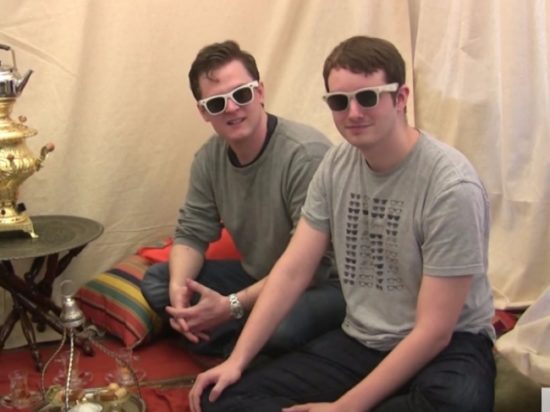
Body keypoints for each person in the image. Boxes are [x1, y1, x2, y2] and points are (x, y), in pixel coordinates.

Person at [189, 35, 496, 412]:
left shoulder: (451, 186)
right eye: (339, 101)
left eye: (367, 97)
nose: (353, 113)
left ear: (401, 98)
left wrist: (345, 408)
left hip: (448, 347)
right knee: (219, 397)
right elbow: (292, 271)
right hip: (364, 339)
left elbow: (434, 332)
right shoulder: (336, 166)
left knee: (457, 404)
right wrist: (236, 361)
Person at [140, 40, 345, 358]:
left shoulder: (305, 154)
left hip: (321, 284)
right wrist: (180, 292)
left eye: (241, 94)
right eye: (216, 103)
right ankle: (248, 345)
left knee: (281, 325)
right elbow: (192, 233)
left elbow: (311, 268)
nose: (232, 108)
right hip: (258, 276)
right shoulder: (208, 159)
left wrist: (231, 306)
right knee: (159, 281)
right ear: (203, 112)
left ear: (260, 92)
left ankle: (240, 342)